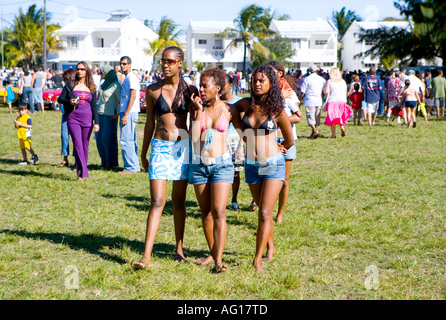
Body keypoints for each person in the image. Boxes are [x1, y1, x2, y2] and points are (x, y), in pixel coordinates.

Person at [134, 46, 199, 269]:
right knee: (157, 202)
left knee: (179, 202)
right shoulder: (153, 91)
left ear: (180, 63)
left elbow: (199, 119)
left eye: (170, 61)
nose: (165, 65)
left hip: (183, 148)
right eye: (163, 61)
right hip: (160, 148)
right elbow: (150, 123)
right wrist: (143, 153)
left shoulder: (191, 90)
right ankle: (146, 256)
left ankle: (179, 249)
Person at [234, 64, 294, 273]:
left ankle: (257, 260)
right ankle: (270, 246)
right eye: (254, 80)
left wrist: (278, 147)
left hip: (273, 165)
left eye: (262, 81)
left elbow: (290, 140)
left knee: (266, 212)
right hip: (251, 165)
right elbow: (230, 114)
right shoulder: (243, 105)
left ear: (271, 84)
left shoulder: (277, 110)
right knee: (262, 211)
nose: (257, 84)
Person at [189, 67, 243, 273]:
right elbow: (194, 138)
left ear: (218, 88)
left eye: (205, 86)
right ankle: (212, 252)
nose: (201, 89)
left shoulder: (230, 110)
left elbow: (242, 132)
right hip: (199, 165)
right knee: (206, 212)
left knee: (219, 211)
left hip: (222, 165)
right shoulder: (197, 108)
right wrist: (199, 111)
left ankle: (218, 261)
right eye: (200, 85)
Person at [266, 61, 302, 225]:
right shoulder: (265, 93)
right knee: (265, 176)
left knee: (284, 180)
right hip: (269, 140)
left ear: (280, 74)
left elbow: (298, 116)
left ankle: (279, 214)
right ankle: (265, 209)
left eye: (272, 72)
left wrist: (280, 121)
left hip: (286, 140)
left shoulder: (288, 92)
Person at [58, 61, 99, 181]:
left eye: (82, 69)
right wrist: (69, 101)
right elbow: (61, 98)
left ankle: (81, 171)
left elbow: (94, 105)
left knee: (85, 145)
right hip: (73, 118)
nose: (80, 71)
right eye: (78, 69)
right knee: (78, 144)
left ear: (87, 71)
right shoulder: (71, 85)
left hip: (87, 119)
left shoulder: (92, 87)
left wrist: (96, 122)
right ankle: (82, 172)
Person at [220, 73, 244, 210]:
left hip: (235, 139)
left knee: (236, 172)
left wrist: (241, 145)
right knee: (221, 171)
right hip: (220, 140)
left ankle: (234, 199)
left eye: (223, 84)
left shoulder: (239, 102)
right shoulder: (214, 101)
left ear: (231, 85)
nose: (220, 87)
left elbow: (243, 126)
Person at [95, 64, 121, 170]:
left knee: (107, 140)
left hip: (110, 116)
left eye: (102, 72)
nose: (100, 74)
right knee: (99, 140)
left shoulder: (116, 85)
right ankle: (104, 162)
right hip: (100, 114)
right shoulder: (104, 84)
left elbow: (121, 101)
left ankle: (110, 163)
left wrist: (117, 113)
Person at [119, 56, 141, 174]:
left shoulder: (131, 77)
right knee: (129, 139)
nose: (122, 66)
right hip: (126, 111)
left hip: (130, 112)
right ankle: (133, 165)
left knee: (126, 139)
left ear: (130, 64)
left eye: (125, 64)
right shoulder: (127, 77)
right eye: (121, 64)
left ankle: (130, 167)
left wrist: (126, 114)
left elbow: (133, 96)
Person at [323, 67, 352, 138]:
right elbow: (345, 92)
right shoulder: (343, 81)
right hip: (342, 101)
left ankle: (333, 134)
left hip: (333, 101)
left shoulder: (329, 81)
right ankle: (342, 127)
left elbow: (326, 91)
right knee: (340, 116)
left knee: (332, 117)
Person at [299, 64, 326, 139]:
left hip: (309, 100)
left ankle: (315, 130)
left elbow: (302, 92)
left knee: (310, 117)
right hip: (318, 100)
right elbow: (323, 91)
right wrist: (322, 97)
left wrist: (299, 100)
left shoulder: (307, 79)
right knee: (316, 117)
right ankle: (313, 133)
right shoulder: (322, 79)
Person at [58, 69, 76, 167]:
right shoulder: (67, 86)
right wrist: (69, 101)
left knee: (75, 138)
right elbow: (60, 98)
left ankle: (76, 158)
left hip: (75, 115)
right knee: (64, 137)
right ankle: (65, 158)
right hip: (66, 115)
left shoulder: (79, 86)